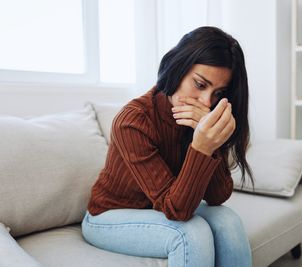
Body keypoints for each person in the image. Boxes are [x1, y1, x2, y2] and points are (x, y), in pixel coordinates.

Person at [81, 26, 254, 267]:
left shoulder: (199, 118)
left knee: (228, 221)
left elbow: (217, 196)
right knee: (190, 234)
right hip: (107, 217)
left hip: (157, 210)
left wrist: (213, 143)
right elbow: (178, 211)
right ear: (178, 67)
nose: (207, 102)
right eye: (200, 84)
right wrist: (202, 147)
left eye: (219, 93)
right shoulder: (133, 120)